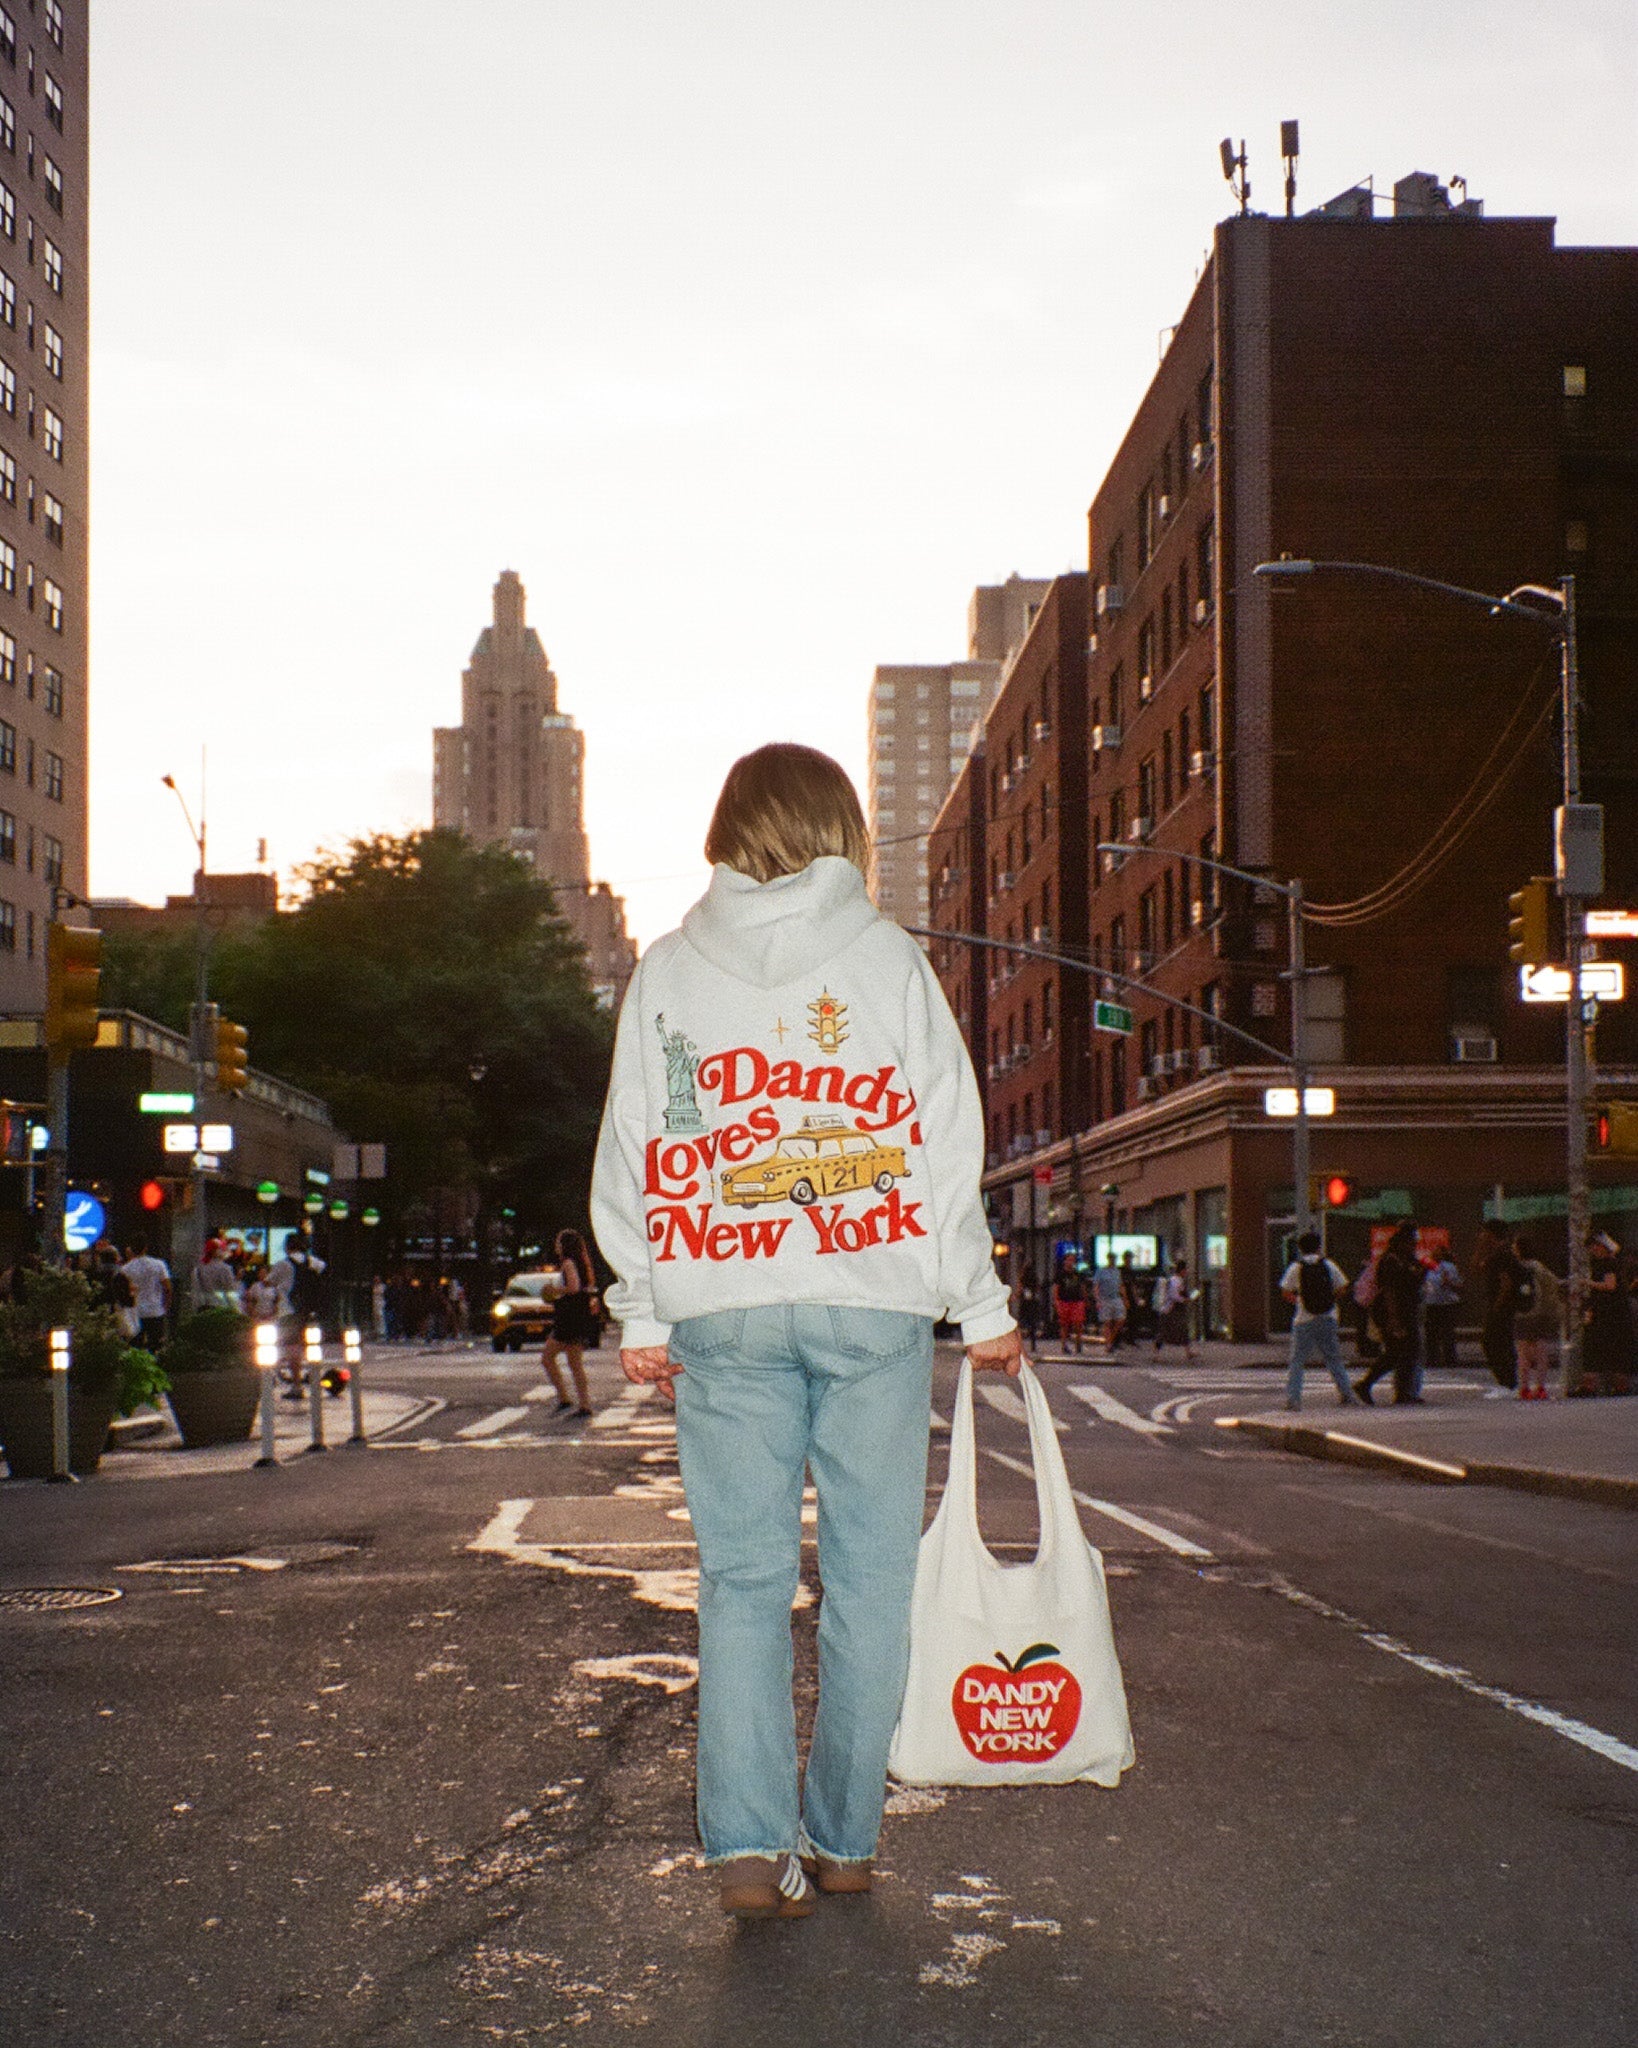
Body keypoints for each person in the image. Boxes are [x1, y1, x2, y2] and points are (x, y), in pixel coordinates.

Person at [590, 742, 1020, 1922]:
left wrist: (640, 1297)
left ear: (730, 830)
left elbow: (633, 1140)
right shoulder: (888, 960)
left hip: (722, 1306)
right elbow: (943, 1141)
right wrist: (979, 1306)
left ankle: (743, 1847)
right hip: (872, 1300)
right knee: (870, 1583)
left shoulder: (669, 968)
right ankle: (842, 1838)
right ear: (842, 827)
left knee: (740, 1580)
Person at [1279, 1230, 1360, 1410]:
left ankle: (1294, 1400)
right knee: (1333, 1358)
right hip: (1327, 1316)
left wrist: (1300, 1301)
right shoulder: (1328, 1265)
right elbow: (1343, 1287)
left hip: (1303, 1319)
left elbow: (1285, 1292)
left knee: (1298, 1360)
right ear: (1318, 1247)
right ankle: (1347, 1394)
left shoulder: (1296, 1267)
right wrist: (1329, 1299)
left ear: (1300, 1248)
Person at [1358, 1223, 1422, 1405]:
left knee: (1402, 1352)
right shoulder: (1391, 1261)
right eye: (1411, 1242)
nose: (1414, 1246)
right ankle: (1396, 1390)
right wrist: (1393, 1319)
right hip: (1392, 1312)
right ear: (1402, 1242)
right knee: (1401, 1351)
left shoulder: (1407, 1259)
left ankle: (1400, 1390)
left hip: (1406, 1310)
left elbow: (1415, 1278)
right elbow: (1389, 1291)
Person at [542, 1228, 598, 1417]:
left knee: (547, 1358)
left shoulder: (568, 1263)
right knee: (575, 1363)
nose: (556, 1246)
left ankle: (564, 1398)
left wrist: (555, 1290)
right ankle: (583, 1404)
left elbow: (573, 1287)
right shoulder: (583, 1263)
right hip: (578, 1316)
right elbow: (584, 1287)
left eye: (559, 1242)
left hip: (569, 1318)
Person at [1578, 1232, 1636, 1398]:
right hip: (1610, 1311)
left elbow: (1610, 1285)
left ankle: (1596, 1386)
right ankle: (1619, 1386)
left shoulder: (1607, 1264)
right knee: (1612, 1348)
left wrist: (1587, 1283)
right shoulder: (1611, 1263)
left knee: (1599, 1347)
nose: (1592, 1250)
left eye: (1594, 1246)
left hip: (1608, 1313)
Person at [1509, 1233, 1563, 1400]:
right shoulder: (1538, 1267)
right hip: (1540, 1315)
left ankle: (1524, 1388)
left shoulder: (1514, 1267)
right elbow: (1553, 1284)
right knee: (1541, 1352)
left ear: (1518, 1249)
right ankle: (1540, 1388)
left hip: (1521, 1315)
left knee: (1522, 1354)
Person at [1474, 1218, 1519, 1391]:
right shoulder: (1494, 1254)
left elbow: (1506, 1282)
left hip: (1501, 1306)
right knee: (1497, 1342)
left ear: (1491, 1234)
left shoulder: (1503, 1254)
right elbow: (1477, 1268)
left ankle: (1507, 1381)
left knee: (1494, 1342)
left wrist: (1497, 1306)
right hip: (1497, 1305)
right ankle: (1506, 1381)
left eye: (1484, 1232)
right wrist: (1480, 1248)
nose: (1481, 1235)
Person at [119, 1238, 172, 1352]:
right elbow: (167, 1287)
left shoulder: (125, 1269)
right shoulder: (159, 1264)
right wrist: (166, 1305)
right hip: (155, 1310)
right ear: (146, 1248)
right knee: (156, 1345)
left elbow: (123, 1291)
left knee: (135, 1346)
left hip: (135, 1311)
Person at [1421, 1242, 1462, 1376]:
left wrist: (1448, 1282)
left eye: (1438, 1251)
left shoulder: (1449, 1267)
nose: (1435, 1253)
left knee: (1447, 1332)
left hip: (1446, 1303)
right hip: (1431, 1302)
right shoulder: (1428, 1266)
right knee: (1431, 1332)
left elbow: (1458, 1283)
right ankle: (1432, 1358)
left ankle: (1450, 1358)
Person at [1152, 1256, 1196, 1362]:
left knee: (1182, 1330)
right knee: (1165, 1332)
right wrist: (1184, 1300)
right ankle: (1156, 1354)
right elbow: (1173, 1295)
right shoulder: (1176, 1281)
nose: (1186, 1272)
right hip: (1171, 1309)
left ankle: (1188, 1352)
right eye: (1185, 1270)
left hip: (1173, 1309)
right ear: (1182, 1270)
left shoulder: (1176, 1280)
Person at [1052, 1256, 1088, 1355]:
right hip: (1064, 1301)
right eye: (1069, 1260)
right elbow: (1056, 1288)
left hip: (1077, 1301)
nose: (1071, 1262)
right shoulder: (1060, 1274)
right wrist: (1056, 1301)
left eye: (1073, 1260)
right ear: (1065, 1261)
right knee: (1064, 1324)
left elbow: (1082, 1287)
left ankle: (1078, 1345)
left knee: (1078, 1323)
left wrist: (1085, 1299)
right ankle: (1064, 1345)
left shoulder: (1078, 1274)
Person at [1092, 1252, 1127, 1351]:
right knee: (1107, 1322)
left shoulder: (1117, 1271)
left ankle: (1111, 1338)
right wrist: (1097, 1299)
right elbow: (1096, 1286)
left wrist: (1124, 1298)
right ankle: (1108, 1344)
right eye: (1112, 1259)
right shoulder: (1101, 1271)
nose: (1113, 1261)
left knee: (1120, 1319)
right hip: (1105, 1298)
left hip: (1116, 1298)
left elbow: (1120, 1285)